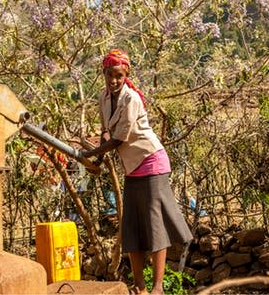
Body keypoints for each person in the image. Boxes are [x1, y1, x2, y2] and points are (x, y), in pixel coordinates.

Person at [82, 49, 192, 295]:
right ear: (104, 74)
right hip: (132, 167)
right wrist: (97, 158)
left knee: (154, 226)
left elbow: (119, 138)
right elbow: (106, 133)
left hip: (151, 162)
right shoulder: (104, 97)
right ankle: (139, 287)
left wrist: (90, 154)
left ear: (125, 75)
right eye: (110, 75)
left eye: (119, 76)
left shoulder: (131, 99)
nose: (114, 81)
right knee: (132, 227)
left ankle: (157, 288)